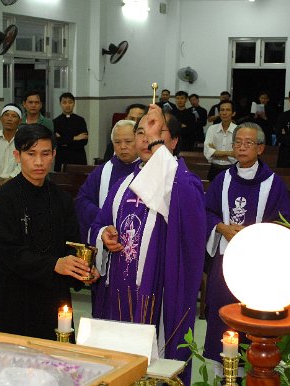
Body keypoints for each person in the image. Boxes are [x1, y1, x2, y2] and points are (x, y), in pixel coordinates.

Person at [88, 105, 205, 384]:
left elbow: (191, 233)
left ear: (173, 141)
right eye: (141, 132)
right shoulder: (123, 183)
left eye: (156, 131)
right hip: (119, 290)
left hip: (159, 292)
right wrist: (104, 234)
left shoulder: (183, 183)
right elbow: (99, 222)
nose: (146, 138)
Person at [0, 124, 100, 340]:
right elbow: (9, 252)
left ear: (54, 155)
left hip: (53, 296)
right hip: (14, 297)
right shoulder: (2, 199)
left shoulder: (62, 199)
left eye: (45, 154)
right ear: (17, 156)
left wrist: (82, 270)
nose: (39, 162)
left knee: (55, 357)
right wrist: (54, 264)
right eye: (31, 154)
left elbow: (72, 243)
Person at [203, 122, 290, 369]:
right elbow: (207, 212)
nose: (242, 147)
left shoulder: (273, 183)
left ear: (260, 148)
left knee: (252, 319)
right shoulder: (222, 179)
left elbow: (284, 223)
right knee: (222, 315)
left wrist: (253, 235)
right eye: (238, 143)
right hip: (225, 262)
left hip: (258, 267)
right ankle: (222, 371)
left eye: (248, 143)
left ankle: (256, 368)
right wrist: (221, 228)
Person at [75, 119, 140, 242]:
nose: (123, 146)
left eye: (128, 141)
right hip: (108, 236)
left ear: (138, 141)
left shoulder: (147, 170)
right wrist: (103, 217)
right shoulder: (102, 171)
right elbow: (82, 201)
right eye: (117, 142)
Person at [53, 92, 88, 172]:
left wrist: (64, 140)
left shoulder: (80, 120)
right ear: (60, 104)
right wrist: (75, 138)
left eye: (70, 102)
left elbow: (84, 141)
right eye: (64, 102)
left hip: (78, 157)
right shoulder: (56, 122)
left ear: (74, 103)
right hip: (62, 158)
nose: (67, 105)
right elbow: (56, 141)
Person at [203, 100, 237, 181]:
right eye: (222, 110)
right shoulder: (212, 129)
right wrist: (229, 153)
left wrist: (215, 153)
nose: (224, 113)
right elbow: (207, 152)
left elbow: (237, 155)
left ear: (233, 113)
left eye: (228, 110)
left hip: (232, 169)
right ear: (219, 113)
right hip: (214, 169)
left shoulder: (238, 130)